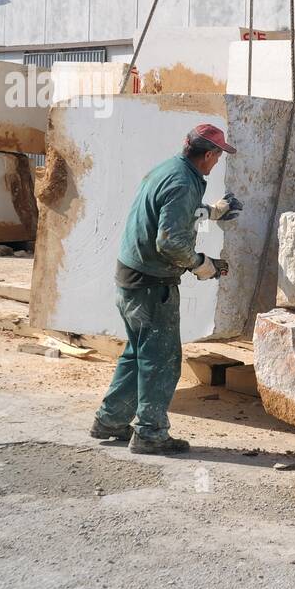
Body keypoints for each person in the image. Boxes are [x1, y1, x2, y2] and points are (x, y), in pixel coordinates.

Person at [90, 124, 243, 454]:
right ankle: (150, 434)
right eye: (218, 156)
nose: (217, 162)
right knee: (162, 360)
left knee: (138, 354)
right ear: (208, 155)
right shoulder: (182, 181)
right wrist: (203, 264)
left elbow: (173, 211)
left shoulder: (169, 169)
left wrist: (212, 212)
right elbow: (170, 241)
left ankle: (111, 420)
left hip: (130, 279)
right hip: (150, 286)